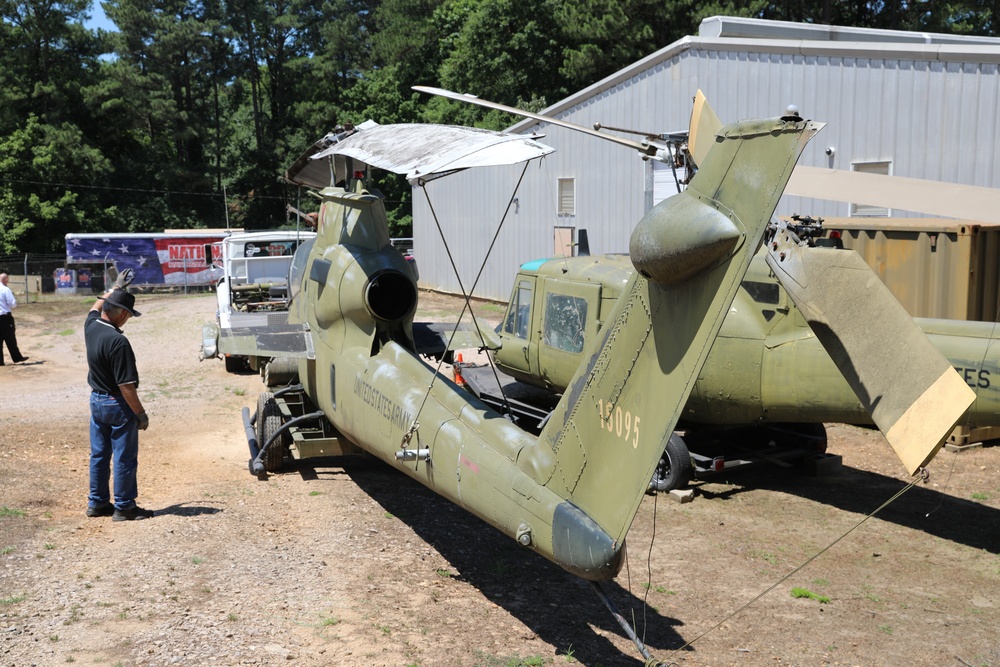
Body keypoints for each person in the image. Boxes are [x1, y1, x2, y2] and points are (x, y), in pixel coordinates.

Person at [84, 269, 154, 521]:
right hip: (117, 405)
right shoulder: (118, 342)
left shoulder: (91, 326)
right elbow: (126, 385)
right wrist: (140, 413)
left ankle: (97, 503)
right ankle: (124, 507)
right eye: (128, 315)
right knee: (124, 457)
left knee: (99, 455)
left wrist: (114, 288)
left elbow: (95, 306)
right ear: (123, 314)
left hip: (97, 401)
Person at [0, 272, 28, 365]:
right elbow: (12, 303)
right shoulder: (5, 289)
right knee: (10, 338)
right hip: (5, 317)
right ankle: (16, 357)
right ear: (6, 279)